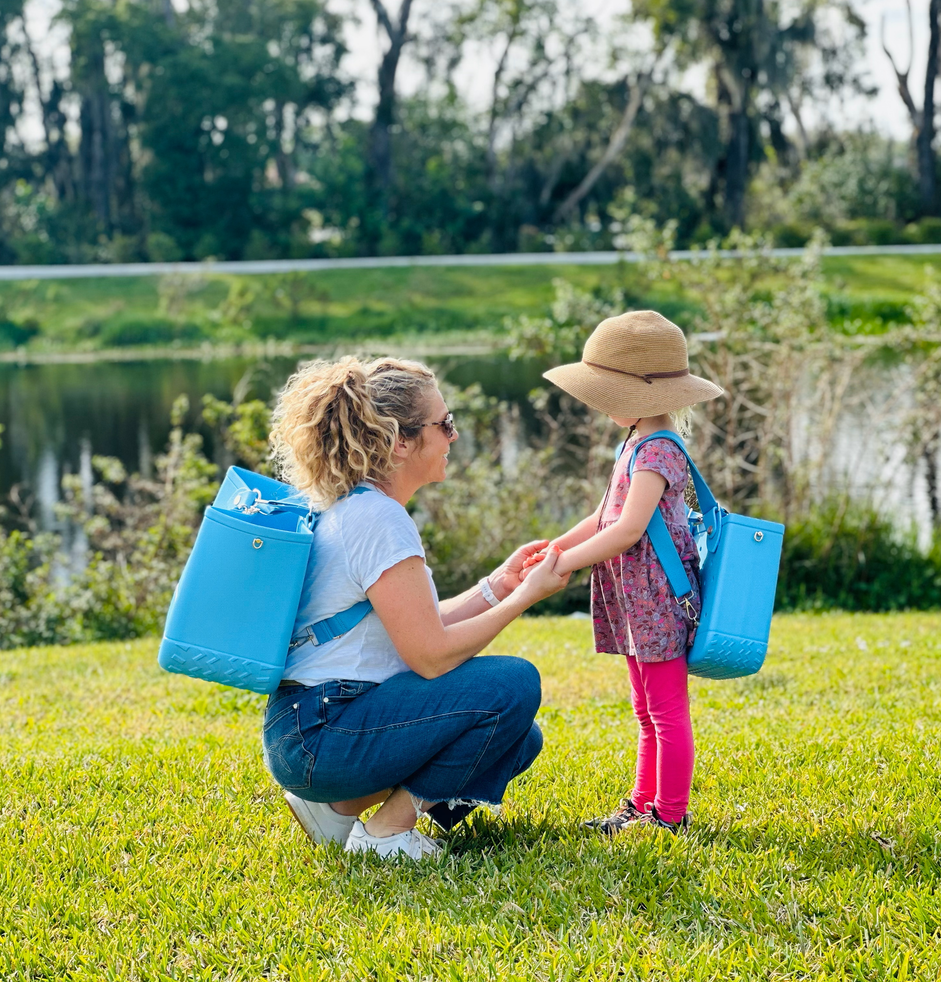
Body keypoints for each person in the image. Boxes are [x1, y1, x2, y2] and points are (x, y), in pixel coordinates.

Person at [262, 355, 569, 861]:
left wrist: (497, 585)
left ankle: (338, 810)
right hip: (322, 731)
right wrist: (525, 597)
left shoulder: (355, 508)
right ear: (400, 441)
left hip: (308, 730)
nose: (453, 435)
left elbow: (415, 626)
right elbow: (430, 656)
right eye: (445, 424)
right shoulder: (379, 520)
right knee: (513, 683)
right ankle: (386, 834)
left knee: (519, 737)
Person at [522, 310, 723, 834]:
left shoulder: (658, 449)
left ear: (638, 395)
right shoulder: (634, 442)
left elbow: (629, 530)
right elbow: (603, 516)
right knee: (645, 707)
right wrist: (555, 545)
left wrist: (564, 565)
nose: (600, 402)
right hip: (634, 597)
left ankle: (669, 816)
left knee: (665, 711)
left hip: (657, 598)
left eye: (606, 391)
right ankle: (640, 805)